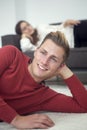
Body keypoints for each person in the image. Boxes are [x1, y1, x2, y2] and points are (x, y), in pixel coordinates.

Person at [0, 31, 87, 129]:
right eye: (43, 53)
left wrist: (66, 72)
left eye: (53, 59)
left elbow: (84, 105)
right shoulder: (11, 54)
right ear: (36, 51)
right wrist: (16, 119)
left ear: (60, 66)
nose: (45, 62)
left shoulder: (44, 97)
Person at [15, 19, 87, 52]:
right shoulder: (35, 46)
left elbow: (57, 28)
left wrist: (65, 23)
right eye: (24, 28)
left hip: (73, 30)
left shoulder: (40, 27)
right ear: (22, 33)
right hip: (73, 44)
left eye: (28, 25)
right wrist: (24, 37)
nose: (28, 28)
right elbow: (25, 48)